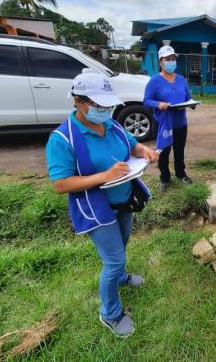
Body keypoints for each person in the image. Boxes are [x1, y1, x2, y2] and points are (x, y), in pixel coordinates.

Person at [46, 71, 158, 337]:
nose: (105, 110)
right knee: (114, 260)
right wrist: (103, 177)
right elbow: (60, 184)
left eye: (107, 104)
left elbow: (132, 146)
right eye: (98, 104)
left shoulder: (112, 125)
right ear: (79, 101)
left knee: (123, 243)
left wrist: (145, 151)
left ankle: (120, 278)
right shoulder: (62, 139)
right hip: (96, 209)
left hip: (123, 200)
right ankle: (110, 314)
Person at [144, 45, 193, 192]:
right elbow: (146, 101)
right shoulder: (154, 81)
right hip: (163, 123)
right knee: (164, 152)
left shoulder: (181, 79)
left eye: (173, 59)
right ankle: (165, 178)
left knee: (179, 151)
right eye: (168, 59)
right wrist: (158, 104)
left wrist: (191, 103)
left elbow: (188, 97)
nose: (171, 62)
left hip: (180, 123)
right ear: (161, 62)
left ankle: (180, 173)